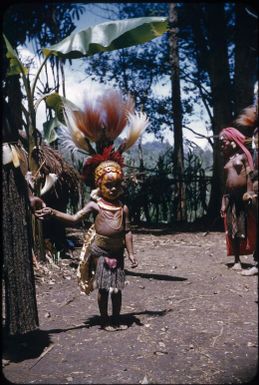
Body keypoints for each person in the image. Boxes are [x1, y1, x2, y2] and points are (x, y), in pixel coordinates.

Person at [36, 158, 138, 330]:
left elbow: (127, 231)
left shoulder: (123, 208)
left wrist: (131, 253)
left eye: (117, 185)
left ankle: (116, 319)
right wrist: (52, 212)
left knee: (117, 288)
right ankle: (105, 321)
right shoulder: (95, 206)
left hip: (117, 252)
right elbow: (74, 219)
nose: (113, 189)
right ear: (99, 185)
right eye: (108, 185)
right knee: (105, 287)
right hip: (100, 251)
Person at [2, 99, 46, 336]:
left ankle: (20, 325)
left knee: (16, 253)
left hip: (11, 186)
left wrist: (28, 196)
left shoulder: (6, 108)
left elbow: (12, 152)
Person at [219, 127, 256, 271]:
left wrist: (250, 192)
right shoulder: (228, 159)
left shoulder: (244, 156)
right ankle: (237, 260)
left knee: (247, 227)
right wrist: (223, 200)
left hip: (244, 197)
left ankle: (255, 257)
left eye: (224, 141)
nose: (222, 144)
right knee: (233, 228)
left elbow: (250, 174)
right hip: (231, 199)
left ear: (233, 141)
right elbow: (225, 184)